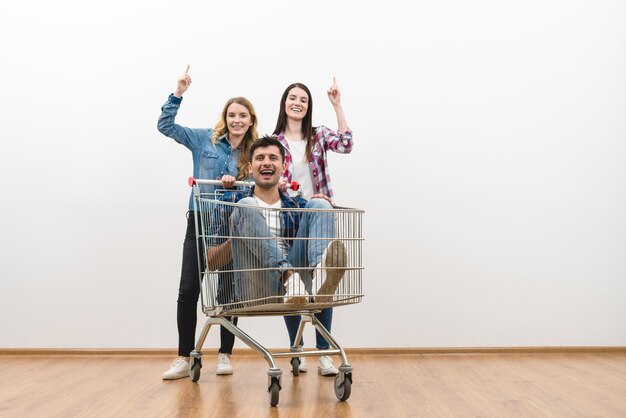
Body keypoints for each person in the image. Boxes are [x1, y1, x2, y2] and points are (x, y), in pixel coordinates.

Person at [206, 136, 348, 375]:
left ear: (283, 167)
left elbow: (317, 214)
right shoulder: (232, 202)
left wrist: (321, 203)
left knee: (320, 205)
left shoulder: (296, 206)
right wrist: (239, 235)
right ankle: (288, 275)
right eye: (259, 158)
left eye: (273, 158)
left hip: (297, 290)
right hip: (255, 286)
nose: (266, 163)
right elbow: (211, 262)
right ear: (250, 167)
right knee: (247, 206)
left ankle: (320, 274)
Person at [157, 65, 258, 379]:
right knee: (189, 289)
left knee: (228, 290)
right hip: (199, 221)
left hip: (231, 226)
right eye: (232, 115)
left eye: (243, 115)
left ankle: (225, 354)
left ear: (251, 120)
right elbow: (165, 126)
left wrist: (243, 184)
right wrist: (178, 93)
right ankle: (184, 357)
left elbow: (262, 188)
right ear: (225, 118)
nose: (236, 120)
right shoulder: (204, 139)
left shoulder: (256, 152)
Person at [271, 78, 353, 375]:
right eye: (292, 97)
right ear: (284, 104)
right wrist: (277, 183)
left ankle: (323, 353)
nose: (297, 102)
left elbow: (346, 144)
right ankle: (297, 350)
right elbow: (263, 178)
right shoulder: (273, 143)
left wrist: (337, 105)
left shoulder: (318, 136)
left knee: (321, 280)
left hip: (317, 218)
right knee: (293, 283)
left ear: (308, 107)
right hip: (290, 219)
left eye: (303, 99)